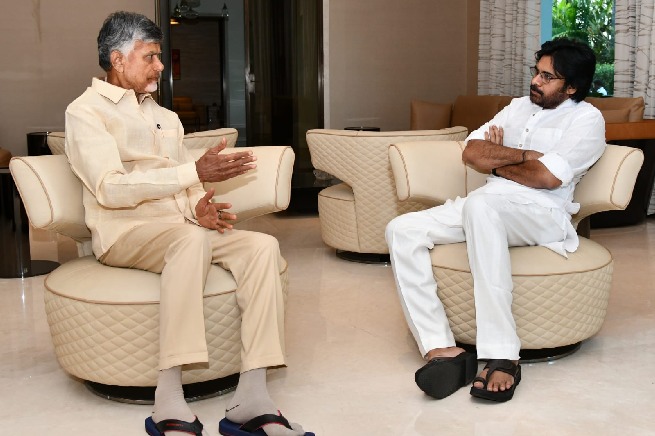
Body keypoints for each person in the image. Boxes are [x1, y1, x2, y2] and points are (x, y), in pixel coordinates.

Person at [65, 11, 313, 436]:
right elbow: (109, 188)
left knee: (262, 246)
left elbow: (186, 183)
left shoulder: (166, 117)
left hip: (179, 230)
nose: (160, 66)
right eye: (150, 56)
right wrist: (193, 174)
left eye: (159, 56)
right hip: (126, 233)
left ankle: (252, 397)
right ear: (118, 59)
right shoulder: (85, 112)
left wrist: (199, 206)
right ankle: (168, 398)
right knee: (189, 242)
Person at [385, 38, 605, 403]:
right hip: (488, 201)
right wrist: (525, 156)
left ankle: (502, 354)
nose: (535, 81)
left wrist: (498, 161)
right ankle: (442, 349)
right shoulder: (517, 107)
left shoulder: (586, 120)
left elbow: (547, 178)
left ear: (571, 87)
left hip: (542, 213)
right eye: (536, 72)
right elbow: (472, 152)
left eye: (547, 77)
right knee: (402, 229)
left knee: (481, 207)